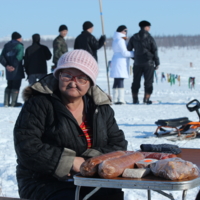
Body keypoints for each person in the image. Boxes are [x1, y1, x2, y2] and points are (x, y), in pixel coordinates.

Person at [14, 50, 127, 200]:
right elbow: (26, 145)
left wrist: (90, 161)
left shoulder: (101, 108)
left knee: (113, 196)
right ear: (58, 76)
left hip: (93, 180)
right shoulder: (39, 104)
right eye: (67, 75)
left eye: (81, 78)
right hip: (44, 182)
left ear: (90, 83)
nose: (73, 83)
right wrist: (69, 162)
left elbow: (118, 145)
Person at [127, 20, 160, 104]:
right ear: (146, 27)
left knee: (136, 81)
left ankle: (135, 99)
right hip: (149, 63)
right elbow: (155, 50)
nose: (149, 29)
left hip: (137, 63)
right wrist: (157, 62)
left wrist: (135, 57)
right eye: (149, 27)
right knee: (148, 82)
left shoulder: (134, 37)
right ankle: (146, 98)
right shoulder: (150, 38)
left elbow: (128, 49)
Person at [110, 25, 134, 104]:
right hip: (120, 61)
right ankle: (120, 99)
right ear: (121, 31)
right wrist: (134, 53)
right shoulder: (120, 40)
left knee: (116, 80)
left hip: (117, 60)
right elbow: (124, 52)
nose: (126, 33)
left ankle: (115, 98)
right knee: (120, 79)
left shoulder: (116, 39)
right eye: (125, 31)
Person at [0, 32, 24, 107]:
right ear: (18, 38)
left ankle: (6, 102)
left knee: (9, 85)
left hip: (8, 70)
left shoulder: (6, 46)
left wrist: (7, 66)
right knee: (16, 85)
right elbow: (19, 57)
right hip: (16, 70)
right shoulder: (19, 46)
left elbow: (1, 57)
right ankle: (14, 103)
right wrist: (13, 66)